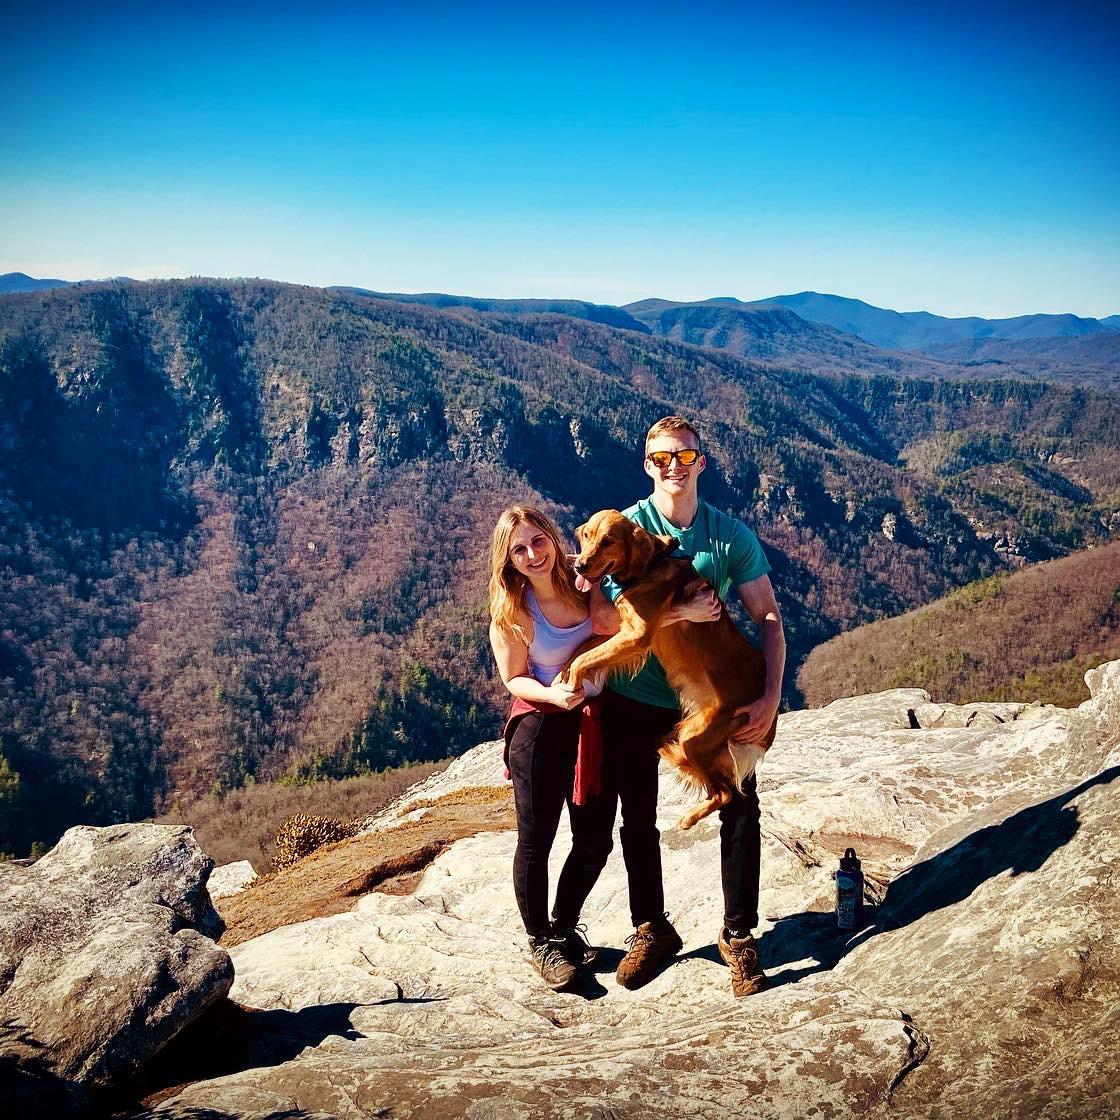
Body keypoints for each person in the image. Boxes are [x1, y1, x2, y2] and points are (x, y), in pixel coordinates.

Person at [591, 416, 786, 996]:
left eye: (684, 456)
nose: (672, 467)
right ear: (646, 464)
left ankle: (739, 935)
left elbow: (768, 617)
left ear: (702, 461)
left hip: (707, 697)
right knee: (637, 819)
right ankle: (652, 929)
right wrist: (676, 615)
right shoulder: (621, 531)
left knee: (741, 808)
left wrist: (772, 696)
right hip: (637, 695)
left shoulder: (730, 536)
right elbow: (604, 621)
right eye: (660, 458)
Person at [488, 504, 616, 991]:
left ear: (550, 535)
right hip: (540, 728)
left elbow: (621, 620)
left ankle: (563, 927)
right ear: (509, 559)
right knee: (536, 841)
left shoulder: (585, 577)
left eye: (537, 540)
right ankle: (539, 940)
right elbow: (514, 678)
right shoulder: (513, 610)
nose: (532, 554)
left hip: (591, 728)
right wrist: (554, 694)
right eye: (519, 549)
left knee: (594, 840)